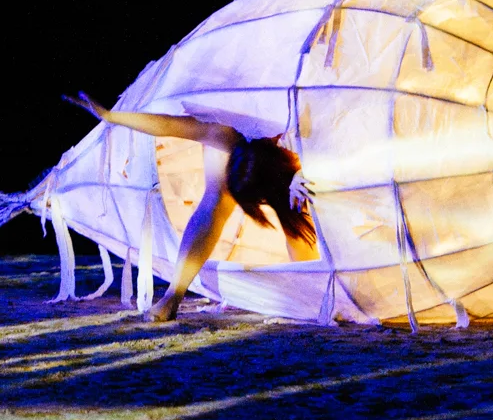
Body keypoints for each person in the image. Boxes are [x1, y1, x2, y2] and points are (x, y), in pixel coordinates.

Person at [63, 92, 316, 322]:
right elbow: (169, 126)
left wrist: (302, 173)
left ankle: (313, 288)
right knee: (217, 196)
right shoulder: (227, 133)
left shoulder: (294, 126)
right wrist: (111, 116)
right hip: (261, 149)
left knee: (295, 208)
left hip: (288, 157)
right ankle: (174, 294)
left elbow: (337, 139)